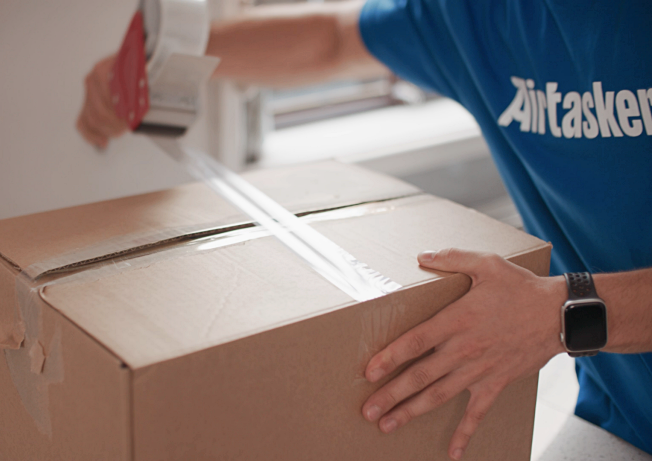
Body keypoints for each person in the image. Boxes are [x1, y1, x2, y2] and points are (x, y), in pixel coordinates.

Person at [77, 1, 652, 458]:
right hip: (621, 417)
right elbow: (335, 37)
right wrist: (163, 60)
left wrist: (558, 314)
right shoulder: (481, 15)